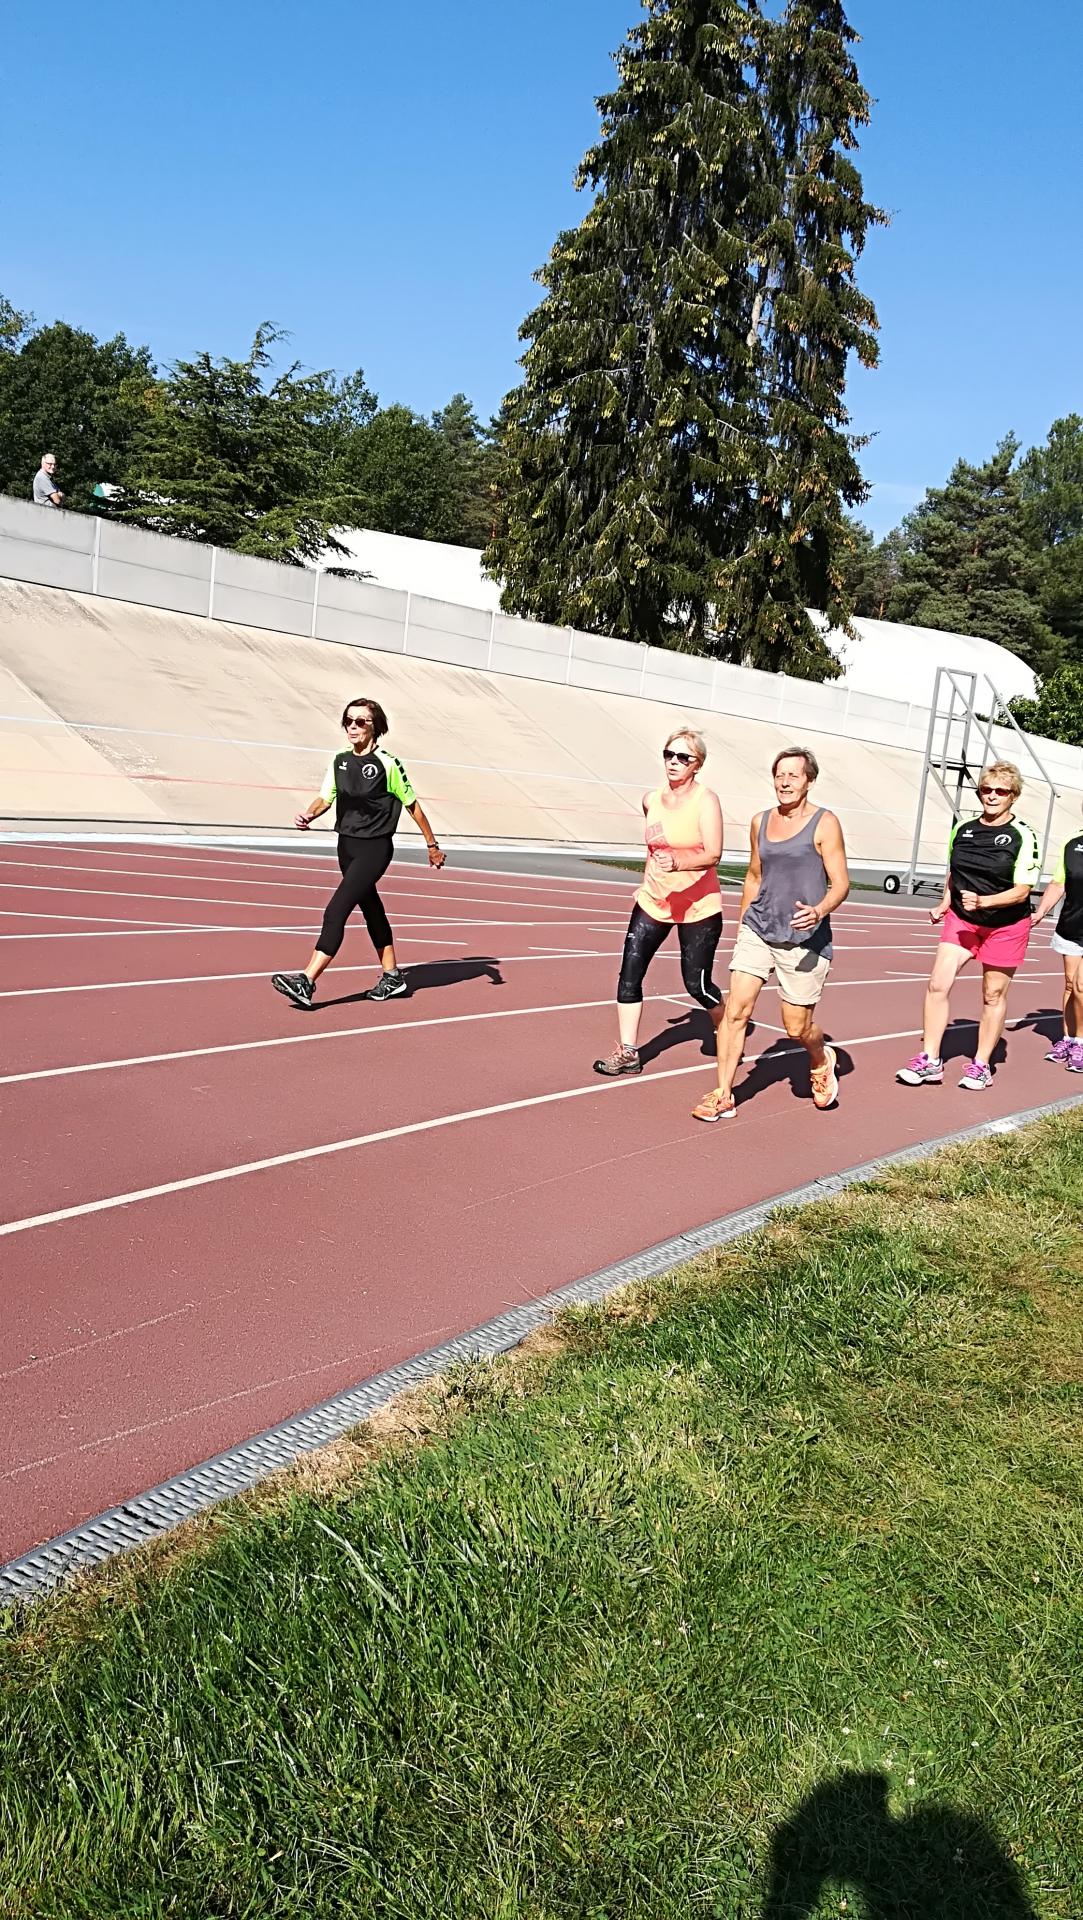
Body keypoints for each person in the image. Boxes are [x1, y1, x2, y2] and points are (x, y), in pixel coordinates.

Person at [692, 747, 849, 1122]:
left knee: (796, 1026)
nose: (785, 781)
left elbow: (841, 883)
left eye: (794, 775)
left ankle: (819, 1057)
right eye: (780, 774)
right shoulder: (760, 821)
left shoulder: (825, 823)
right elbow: (754, 875)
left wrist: (819, 911)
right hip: (759, 929)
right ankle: (724, 1093)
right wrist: (745, 921)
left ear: (809, 780)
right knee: (735, 1012)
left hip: (804, 939)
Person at [271, 696, 445, 1009]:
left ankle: (307, 980)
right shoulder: (339, 760)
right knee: (371, 909)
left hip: (374, 848)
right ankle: (392, 976)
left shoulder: (388, 763)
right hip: (346, 845)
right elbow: (326, 797)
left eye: (360, 721)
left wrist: (432, 846)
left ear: (374, 727)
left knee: (335, 911)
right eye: (348, 720)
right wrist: (310, 814)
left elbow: (413, 807)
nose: (353, 726)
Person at [897, 760, 1040, 1091]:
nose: (992, 796)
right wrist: (945, 902)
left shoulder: (1023, 835)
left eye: (1000, 791)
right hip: (963, 920)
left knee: (992, 994)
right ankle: (930, 1060)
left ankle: (980, 1065)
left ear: (1013, 796)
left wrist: (986, 902)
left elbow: (1023, 890)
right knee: (937, 984)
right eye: (986, 790)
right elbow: (954, 872)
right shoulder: (962, 829)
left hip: (1006, 925)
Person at [592, 728, 724, 1076]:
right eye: (669, 755)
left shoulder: (706, 801)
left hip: (698, 904)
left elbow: (714, 853)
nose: (674, 762)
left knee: (696, 984)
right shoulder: (651, 799)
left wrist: (679, 862)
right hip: (654, 900)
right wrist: (654, 875)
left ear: (697, 765)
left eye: (683, 757)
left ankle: (727, 1029)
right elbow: (653, 849)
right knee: (629, 973)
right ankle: (629, 1052)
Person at [1032, 807, 1083, 1072]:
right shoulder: (1073, 842)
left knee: (1081, 986)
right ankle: (1069, 1038)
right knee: (1069, 985)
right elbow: (1058, 882)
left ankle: (1082, 1042)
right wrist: (1040, 912)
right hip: (1072, 925)